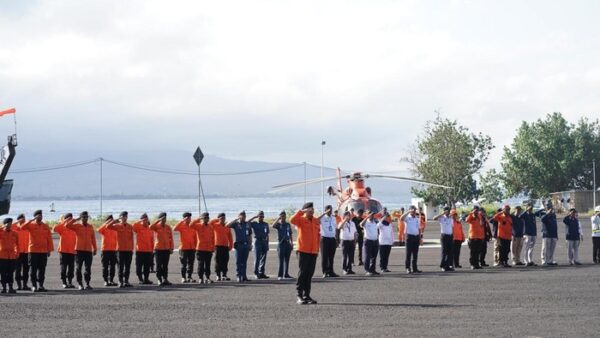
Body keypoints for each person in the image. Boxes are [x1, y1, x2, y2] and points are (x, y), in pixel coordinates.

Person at [290, 202, 320, 305]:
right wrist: (301, 211)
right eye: (310, 210)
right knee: (302, 273)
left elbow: (318, 235)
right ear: (306, 210)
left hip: (313, 251)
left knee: (309, 274)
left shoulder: (316, 221)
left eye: (313, 210)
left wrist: (317, 248)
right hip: (303, 250)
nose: (312, 212)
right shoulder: (301, 219)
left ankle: (307, 295)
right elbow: (292, 220)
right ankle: (299, 295)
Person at [20, 210, 53, 292]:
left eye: (41, 215)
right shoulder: (31, 225)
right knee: (33, 269)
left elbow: (49, 238)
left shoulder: (45, 226)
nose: (40, 217)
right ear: (35, 217)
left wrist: (49, 250)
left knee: (42, 269)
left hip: (43, 251)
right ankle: (34, 285)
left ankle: (41, 285)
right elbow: (22, 227)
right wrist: (31, 220)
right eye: (38, 215)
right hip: (33, 250)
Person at [66, 211, 97, 290]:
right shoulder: (77, 225)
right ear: (81, 218)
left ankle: (87, 283)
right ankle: (80, 284)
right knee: (78, 268)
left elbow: (93, 238)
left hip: (88, 250)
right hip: (79, 250)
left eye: (86, 217)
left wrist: (95, 248)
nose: (85, 219)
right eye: (83, 217)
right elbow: (67, 225)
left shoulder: (90, 227)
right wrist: (76, 219)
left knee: (88, 268)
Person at [107, 211, 134, 287]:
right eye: (123, 216)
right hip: (120, 250)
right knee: (120, 267)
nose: (125, 218)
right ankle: (120, 281)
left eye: (126, 216)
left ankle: (126, 281)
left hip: (128, 250)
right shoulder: (117, 226)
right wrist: (114, 221)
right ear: (120, 217)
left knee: (127, 267)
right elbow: (107, 227)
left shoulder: (130, 226)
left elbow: (131, 238)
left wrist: (132, 248)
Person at [227, 211, 252, 283]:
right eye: (242, 216)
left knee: (244, 262)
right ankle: (238, 276)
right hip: (239, 245)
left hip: (246, 245)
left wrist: (250, 244)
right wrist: (236, 219)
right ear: (239, 216)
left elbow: (249, 235)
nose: (244, 217)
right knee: (238, 261)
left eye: (244, 216)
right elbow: (227, 225)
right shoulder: (236, 224)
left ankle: (244, 276)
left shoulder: (247, 224)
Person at [149, 212, 174, 286]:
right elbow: (150, 227)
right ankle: (159, 279)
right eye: (163, 218)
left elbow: (171, 238)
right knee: (159, 265)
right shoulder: (156, 226)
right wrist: (158, 220)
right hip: (158, 249)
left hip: (166, 249)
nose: (164, 219)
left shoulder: (168, 227)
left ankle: (165, 279)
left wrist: (171, 247)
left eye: (165, 218)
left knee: (165, 265)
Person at [53, 214, 77, 289]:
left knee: (71, 268)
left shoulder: (74, 227)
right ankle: (64, 282)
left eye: (71, 219)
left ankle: (70, 282)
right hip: (63, 250)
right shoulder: (62, 227)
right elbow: (54, 229)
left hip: (72, 250)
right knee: (63, 267)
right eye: (68, 219)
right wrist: (64, 221)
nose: (70, 220)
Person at [191, 212, 215, 284]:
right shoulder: (198, 225)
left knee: (208, 264)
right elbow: (191, 225)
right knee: (201, 264)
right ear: (202, 219)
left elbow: (213, 238)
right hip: (200, 248)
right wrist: (199, 218)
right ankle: (201, 278)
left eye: (207, 218)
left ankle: (207, 277)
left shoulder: (210, 227)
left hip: (208, 249)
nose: (206, 219)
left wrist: (213, 247)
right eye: (205, 218)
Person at [173, 212, 197, 283]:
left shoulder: (192, 226)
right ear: (184, 218)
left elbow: (195, 237)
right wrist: (182, 221)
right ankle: (183, 277)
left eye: (189, 218)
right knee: (184, 264)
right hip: (183, 248)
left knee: (191, 263)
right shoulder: (181, 226)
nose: (189, 219)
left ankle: (189, 277)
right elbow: (174, 228)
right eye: (187, 218)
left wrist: (195, 247)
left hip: (192, 248)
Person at [131, 213, 154, 285]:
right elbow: (133, 226)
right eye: (144, 220)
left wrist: (152, 250)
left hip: (148, 251)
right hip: (140, 250)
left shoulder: (150, 229)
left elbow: (152, 240)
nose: (145, 221)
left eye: (146, 219)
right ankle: (140, 279)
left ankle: (146, 279)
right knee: (139, 266)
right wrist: (140, 221)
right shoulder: (138, 228)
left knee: (147, 266)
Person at [97, 215, 118, 286]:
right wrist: (107, 222)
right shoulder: (104, 228)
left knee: (112, 266)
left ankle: (111, 280)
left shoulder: (114, 228)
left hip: (113, 250)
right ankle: (106, 280)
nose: (112, 222)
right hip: (105, 250)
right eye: (110, 220)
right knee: (105, 266)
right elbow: (98, 230)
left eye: (112, 220)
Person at [248, 211, 270, 279]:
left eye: (262, 216)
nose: (261, 218)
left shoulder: (265, 224)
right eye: (260, 216)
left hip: (264, 241)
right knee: (257, 258)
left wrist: (267, 244)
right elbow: (247, 222)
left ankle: (261, 272)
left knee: (263, 258)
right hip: (257, 241)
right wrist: (254, 217)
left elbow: (267, 235)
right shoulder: (255, 223)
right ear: (258, 217)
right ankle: (256, 273)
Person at [272, 211, 294, 280]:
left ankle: (286, 274)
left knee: (287, 260)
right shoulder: (279, 224)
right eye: (282, 216)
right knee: (281, 260)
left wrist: (292, 243)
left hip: (287, 243)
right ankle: (280, 275)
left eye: (284, 216)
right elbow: (273, 225)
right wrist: (278, 218)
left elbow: (290, 234)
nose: (283, 217)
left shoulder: (287, 224)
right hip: (281, 243)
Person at [318, 205, 338, 278]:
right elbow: (316, 220)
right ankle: (325, 272)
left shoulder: (333, 218)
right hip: (324, 239)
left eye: (331, 209)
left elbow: (335, 228)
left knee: (331, 257)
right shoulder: (322, 218)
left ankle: (331, 271)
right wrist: (324, 213)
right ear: (326, 210)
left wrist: (336, 239)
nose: (330, 211)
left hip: (332, 238)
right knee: (324, 257)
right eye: (328, 210)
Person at [212, 213, 233, 281]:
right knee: (218, 261)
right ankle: (218, 275)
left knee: (225, 261)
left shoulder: (227, 226)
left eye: (224, 218)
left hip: (225, 246)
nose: (223, 219)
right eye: (221, 218)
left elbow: (230, 237)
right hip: (217, 246)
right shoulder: (215, 225)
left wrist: (231, 245)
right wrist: (217, 219)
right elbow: (210, 223)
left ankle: (224, 275)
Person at [0, 218, 19, 294]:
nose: (9, 225)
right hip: (2, 255)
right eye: (8, 224)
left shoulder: (14, 233)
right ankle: (4, 288)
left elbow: (17, 244)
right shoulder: (1, 233)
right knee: (3, 272)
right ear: (4, 224)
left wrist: (17, 253)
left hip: (11, 256)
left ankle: (10, 287)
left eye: (11, 224)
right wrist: (2, 227)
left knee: (11, 272)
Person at [402, 206, 422, 274]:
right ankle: (408, 268)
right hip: (409, 237)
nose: (414, 211)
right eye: (413, 210)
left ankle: (415, 268)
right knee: (408, 254)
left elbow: (419, 229)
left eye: (415, 210)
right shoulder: (407, 218)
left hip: (416, 237)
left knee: (415, 254)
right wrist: (408, 211)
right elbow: (401, 218)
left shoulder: (417, 219)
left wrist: (420, 238)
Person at [12, 214, 30, 291]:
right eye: (21, 219)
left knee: (26, 269)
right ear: (18, 219)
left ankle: (25, 285)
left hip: (27, 251)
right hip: (18, 252)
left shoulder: (27, 227)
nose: (23, 220)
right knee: (18, 269)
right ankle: (19, 285)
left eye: (24, 219)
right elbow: (6, 227)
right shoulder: (14, 227)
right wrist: (17, 222)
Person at [433, 207, 454, 272]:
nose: (448, 212)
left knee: (449, 252)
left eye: (448, 211)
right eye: (446, 211)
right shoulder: (442, 218)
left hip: (450, 236)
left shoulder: (451, 218)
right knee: (444, 252)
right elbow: (434, 218)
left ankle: (447, 266)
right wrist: (443, 213)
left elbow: (452, 227)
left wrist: (453, 235)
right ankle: (443, 266)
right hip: (444, 236)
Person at [360, 211, 379, 276]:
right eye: (371, 215)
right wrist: (367, 217)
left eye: (373, 215)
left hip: (375, 241)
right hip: (368, 241)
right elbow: (361, 224)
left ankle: (372, 270)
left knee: (374, 257)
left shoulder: (375, 222)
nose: (372, 216)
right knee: (367, 256)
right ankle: (367, 270)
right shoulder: (366, 222)